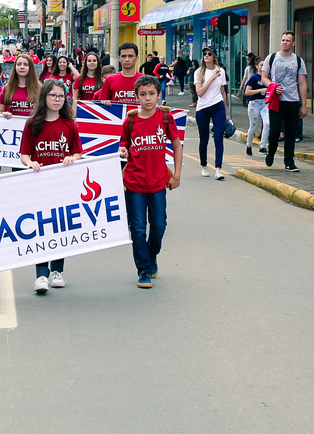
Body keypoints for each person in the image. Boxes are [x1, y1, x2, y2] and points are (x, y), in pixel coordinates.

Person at [19, 78, 83, 293]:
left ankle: (57, 270)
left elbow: (77, 152)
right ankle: (41, 274)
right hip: (39, 184)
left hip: (62, 185)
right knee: (41, 227)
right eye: (53, 95)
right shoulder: (32, 124)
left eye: (61, 96)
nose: (57, 99)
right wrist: (30, 163)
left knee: (60, 227)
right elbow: (24, 154)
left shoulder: (69, 124)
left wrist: (72, 158)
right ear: (44, 97)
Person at [118, 75, 183, 288]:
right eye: (143, 94)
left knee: (159, 225)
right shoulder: (130, 121)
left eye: (152, 94)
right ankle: (144, 269)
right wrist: (123, 151)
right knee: (137, 228)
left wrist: (177, 175)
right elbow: (123, 147)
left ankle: (152, 253)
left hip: (157, 184)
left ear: (158, 95)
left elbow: (177, 146)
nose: (148, 98)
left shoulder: (165, 118)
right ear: (136, 97)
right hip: (134, 183)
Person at [260, 31, 308, 173]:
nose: (284, 42)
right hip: (276, 100)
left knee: (290, 132)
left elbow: (302, 83)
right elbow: (264, 77)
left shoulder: (298, 60)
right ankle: (271, 152)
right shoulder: (272, 58)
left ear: (293, 43)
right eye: (283, 40)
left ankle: (289, 162)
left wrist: (304, 105)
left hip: (292, 101)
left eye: (287, 40)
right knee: (274, 130)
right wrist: (273, 86)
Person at [194, 46, 229, 180]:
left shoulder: (221, 71)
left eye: (209, 53)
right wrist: (212, 78)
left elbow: (223, 92)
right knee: (204, 139)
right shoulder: (199, 72)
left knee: (218, 138)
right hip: (203, 108)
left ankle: (218, 169)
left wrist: (226, 112)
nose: (206, 56)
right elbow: (200, 93)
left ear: (214, 56)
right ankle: (204, 166)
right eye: (205, 54)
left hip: (218, 106)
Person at [96, 41, 143, 111]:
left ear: (137, 58)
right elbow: (102, 104)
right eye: (123, 56)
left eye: (130, 56)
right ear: (119, 58)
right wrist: (104, 102)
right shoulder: (110, 79)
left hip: (139, 117)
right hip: (116, 116)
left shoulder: (144, 80)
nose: (127, 59)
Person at [243, 57, 267, 156]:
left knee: (267, 123)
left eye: (265, 65)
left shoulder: (268, 78)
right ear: (257, 66)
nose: (263, 67)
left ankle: (262, 147)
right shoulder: (254, 77)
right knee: (253, 126)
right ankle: (249, 145)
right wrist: (260, 90)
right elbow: (247, 92)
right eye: (261, 65)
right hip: (254, 103)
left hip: (265, 103)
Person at [0, 53, 37, 119]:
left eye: (25, 64)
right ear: (15, 67)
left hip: (33, 125)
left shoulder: (39, 88)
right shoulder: (7, 88)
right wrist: (4, 114)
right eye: (19, 64)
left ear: (30, 67)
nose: (22, 67)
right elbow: (0, 111)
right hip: (11, 124)